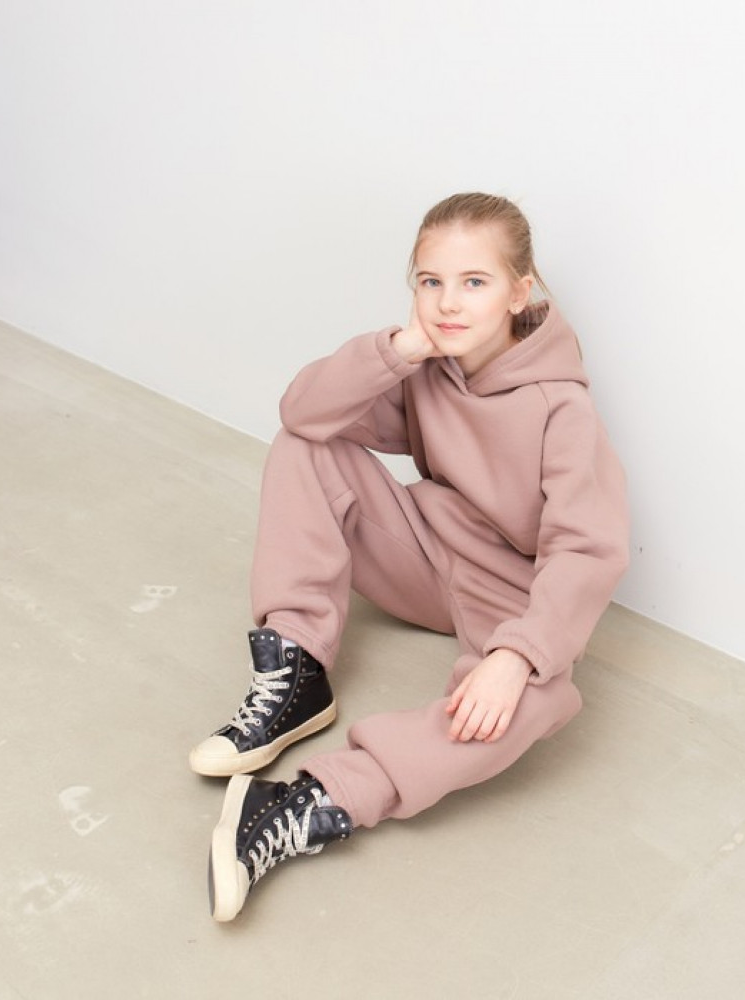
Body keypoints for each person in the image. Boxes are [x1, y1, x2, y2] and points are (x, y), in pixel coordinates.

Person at [191, 192, 630, 922]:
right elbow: (304, 414)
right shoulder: (429, 366)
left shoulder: (561, 407)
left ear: (519, 292)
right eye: (431, 281)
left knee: (542, 700)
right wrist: (397, 352)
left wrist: (516, 656)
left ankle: (311, 799)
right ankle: (298, 673)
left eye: (474, 281)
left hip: (509, 601)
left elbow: (588, 548)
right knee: (307, 444)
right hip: (423, 556)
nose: (448, 302)